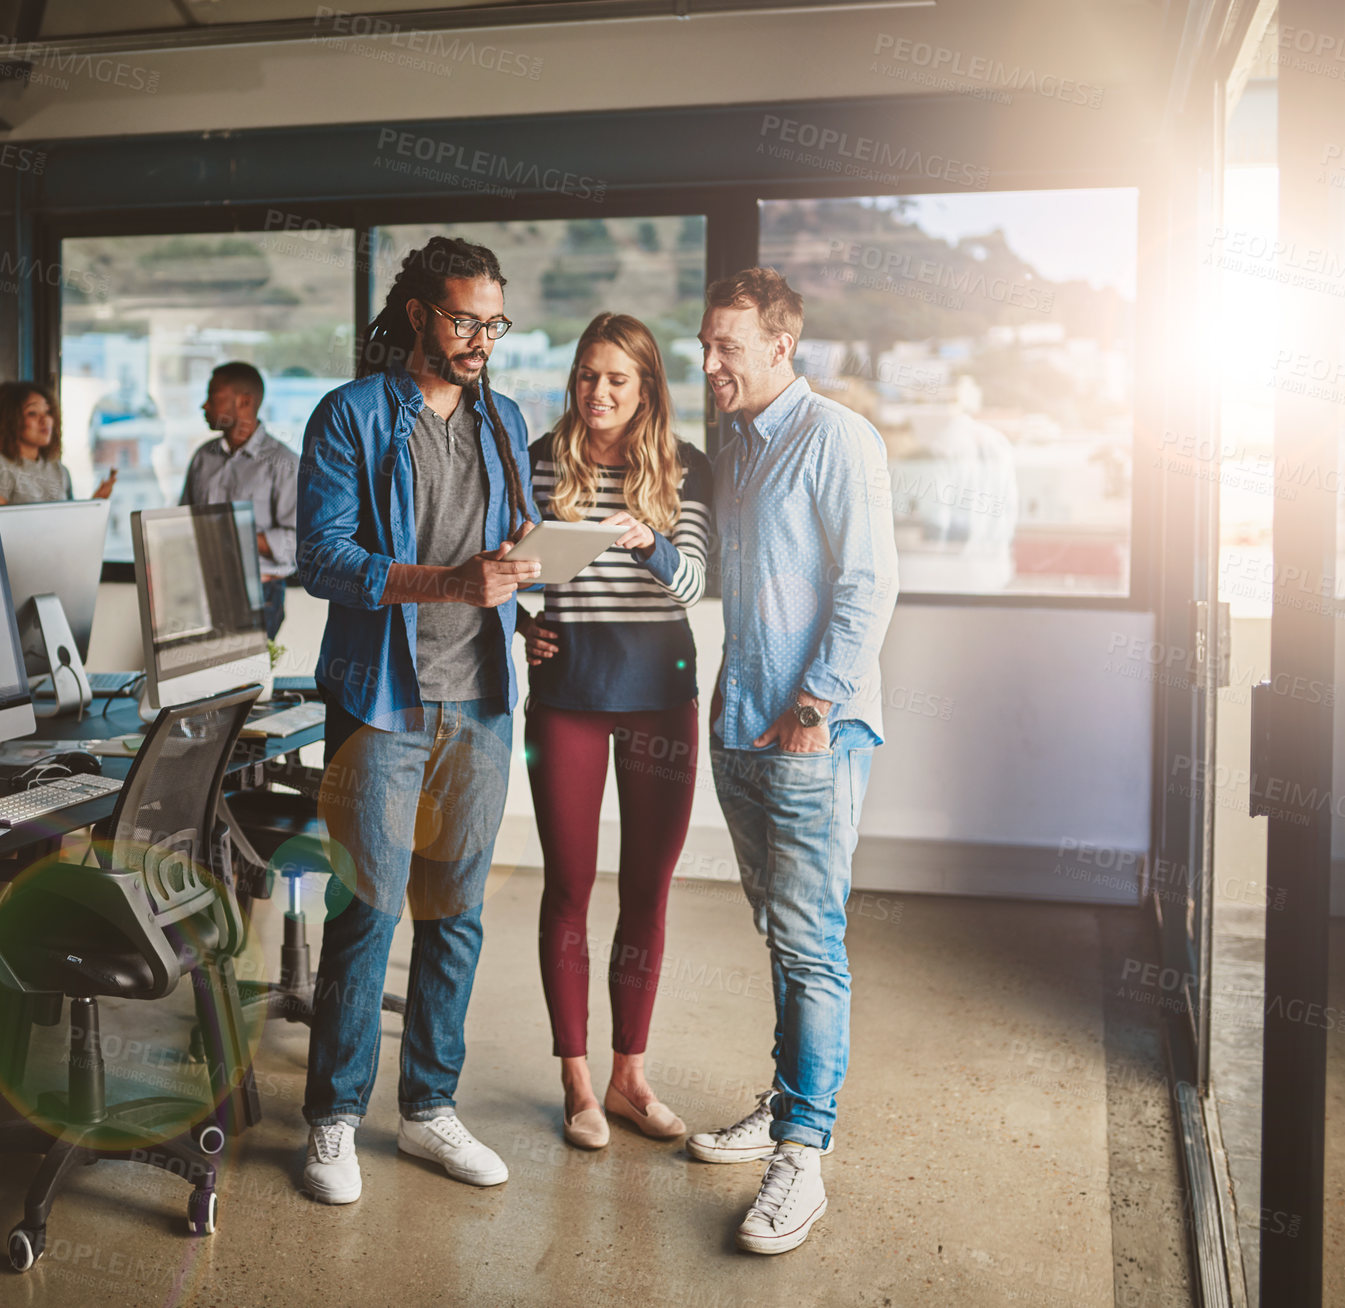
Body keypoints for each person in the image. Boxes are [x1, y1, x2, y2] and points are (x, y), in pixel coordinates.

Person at [296, 236, 540, 1205]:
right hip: (380, 701)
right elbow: (322, 557)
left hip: (480, 701)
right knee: (367, 913)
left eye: (494, 321)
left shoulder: (505, 420)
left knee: (456, 916)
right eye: (463, 319)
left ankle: (430, 1108)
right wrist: (448, 581)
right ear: (416, 317)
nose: (480, 339)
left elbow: (507, 551)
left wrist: (532, 589)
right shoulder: (351, 415)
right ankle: (332, 1120)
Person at [686, 268, 898, 1255]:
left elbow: (867, 586)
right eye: (705, 343)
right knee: (782, 934)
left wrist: (812, 709)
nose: (709, 361)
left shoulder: (838, 440)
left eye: (727, 345)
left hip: (808, 736)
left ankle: (802, 1159)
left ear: (781, 346)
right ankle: (784, 1106)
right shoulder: (736, 448)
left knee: (812, 944)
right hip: (740, 731)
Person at [516, 313, 711, 1150]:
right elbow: (506, 570)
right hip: (566, 695)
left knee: (647, 889)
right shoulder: (537, 462)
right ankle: (578, 1082)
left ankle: (630, 1074)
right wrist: (521, 626)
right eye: (587, 376)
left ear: (646, 389)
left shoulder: (684, 466)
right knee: (568, 885)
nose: (598, 393)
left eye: (617, 380)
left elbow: (697, 582)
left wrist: (650, 543)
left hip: (660, 697)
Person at [181, 362, 298, 638]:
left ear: (244, 401)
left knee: (245, 681)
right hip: (202, 592)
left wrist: (228, 531)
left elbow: (299, 544)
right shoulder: (202, 458)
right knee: (198, 679)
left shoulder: (284, 464)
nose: (204, 406)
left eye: (213, 396)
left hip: (258, 594)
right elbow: (183, 521)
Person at [0, 381, 116, 506]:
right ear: (8, 420)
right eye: (32, 413)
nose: (45, 420)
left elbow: (70, 525)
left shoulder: (58, 469)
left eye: (48, 412)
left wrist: (96, 503)